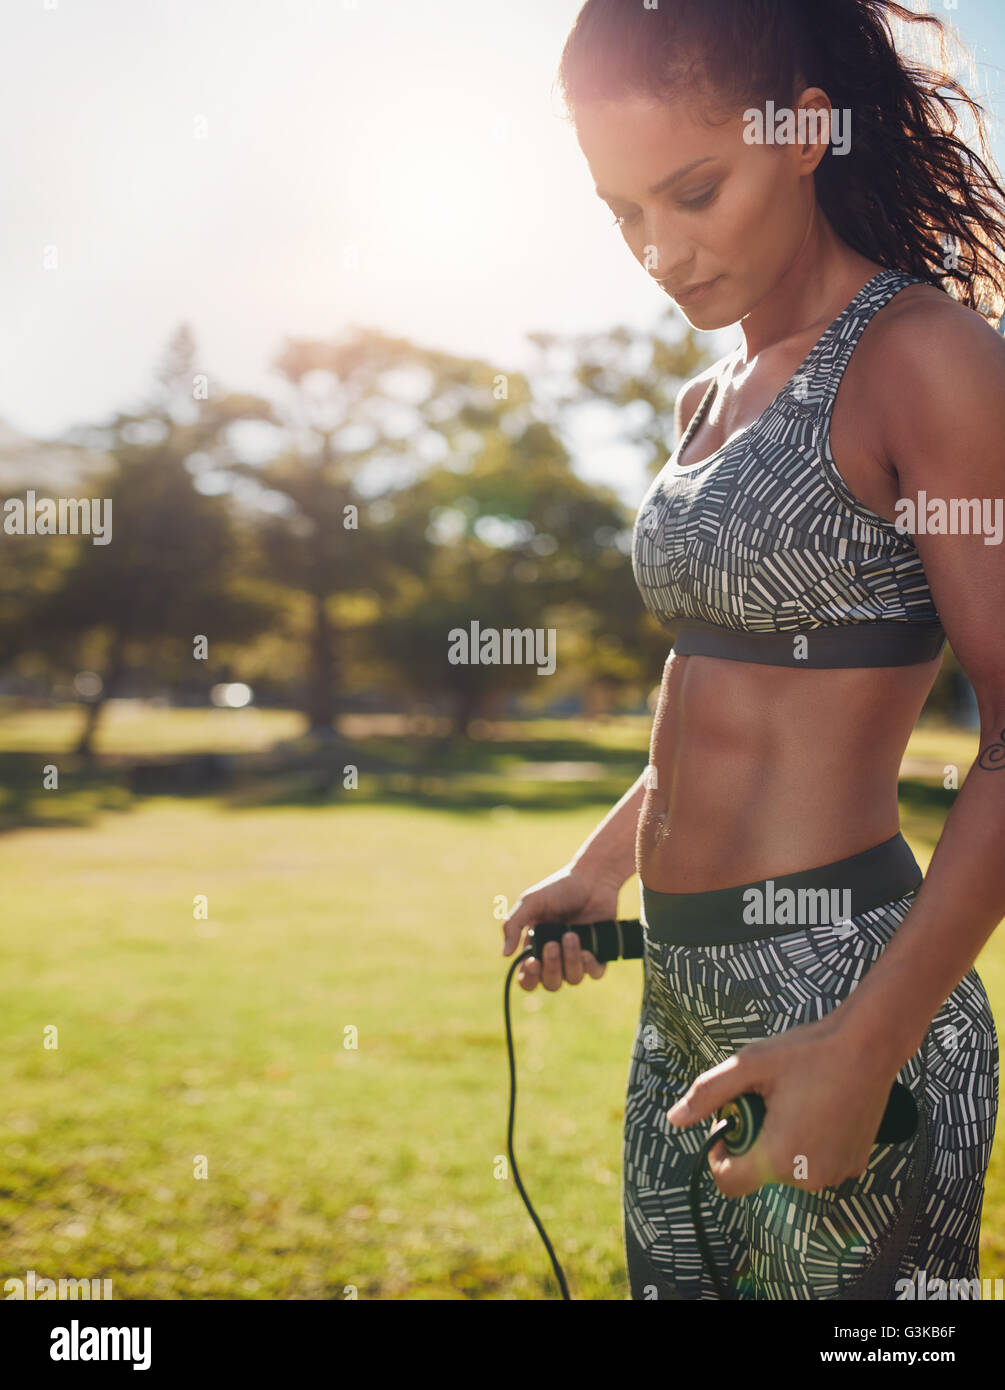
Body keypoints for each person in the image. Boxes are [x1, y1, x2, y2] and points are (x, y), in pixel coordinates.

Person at [502, 0, 1005, 1300]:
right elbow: (723, 686)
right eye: (623, 212)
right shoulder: (706, 398)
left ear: (804, 132)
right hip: (680, 996)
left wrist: (862, 1045)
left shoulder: (924, 360)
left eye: (694, 189)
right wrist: (600, 864)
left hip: (846, 990)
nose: (659, 250)